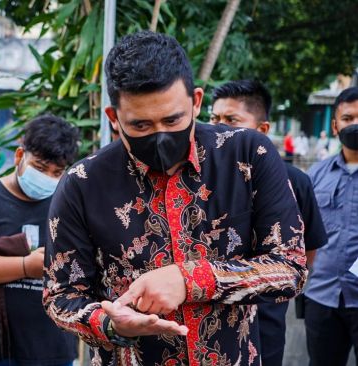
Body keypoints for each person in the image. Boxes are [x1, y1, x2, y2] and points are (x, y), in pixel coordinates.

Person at [43, 31, 307, 365]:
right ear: (114, 118)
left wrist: (191, 279)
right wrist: (110, 324)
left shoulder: (248, 154)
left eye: (173, 119)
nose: (159, 136)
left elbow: (290, 268)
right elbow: (61, 295)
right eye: (140, 126)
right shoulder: (83, 183)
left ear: (196, 101)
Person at [210, 79, 328, 366]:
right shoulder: (201, 178)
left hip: (265, 321)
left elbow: (307, 250)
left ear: (262, 129)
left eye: (231, 120)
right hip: (209, 319)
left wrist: (277, 284)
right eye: (214, 118)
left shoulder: (295, 181)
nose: (219, 127)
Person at [0, 115, 80, 366]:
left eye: (56, 172)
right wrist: (25, 266)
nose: (47, 177)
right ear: (20, 156)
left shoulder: (68, 205)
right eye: (40, 168)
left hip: (54, 346)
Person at [305, 86, 358, 366]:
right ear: (336, 125)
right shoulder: (315, 175)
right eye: (348, 118)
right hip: (322, 295)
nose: (355, 125)